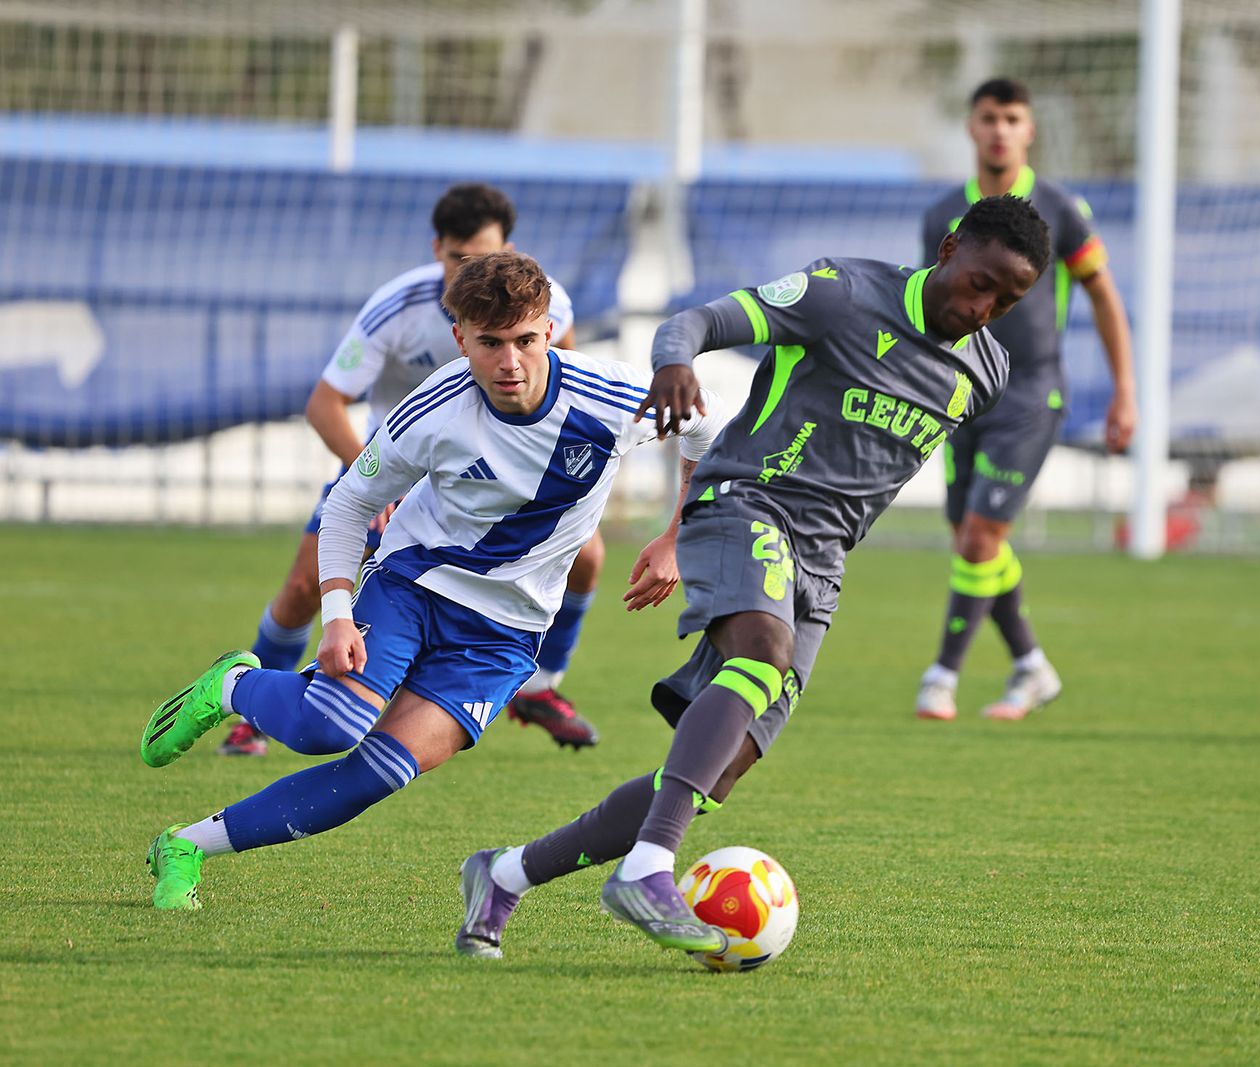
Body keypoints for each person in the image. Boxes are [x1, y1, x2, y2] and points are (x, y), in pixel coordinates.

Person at [453, 195, 1050, 961]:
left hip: (824, 565)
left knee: (715, 772)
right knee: (758, 656)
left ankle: (503, 875)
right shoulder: (842, 293)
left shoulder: (987, 368)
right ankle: (646, 869)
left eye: (1008, 299)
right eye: (980, 282)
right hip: (747, 500)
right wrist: (674, 365)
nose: (985, 306)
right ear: (950, 246)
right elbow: (694, 323)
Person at [140, 252, 725, 911]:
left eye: (527, 340)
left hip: (507, 633)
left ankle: (184, 845)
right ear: (460, 339)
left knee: (376, 775)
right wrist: (335, 614)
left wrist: (677, 534)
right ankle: (232, 684)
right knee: (328, 725)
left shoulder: (613, 395)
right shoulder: (437, 407)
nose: (510, 363)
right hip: (416, 583)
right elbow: (347, 505)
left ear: (550, 330)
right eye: (491, 343)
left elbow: (706, 431)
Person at [221, 182, 603, 757]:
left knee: (590, 556)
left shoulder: (546, 301)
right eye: (457, 258)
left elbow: (570, 376)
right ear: (436, 251)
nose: (466, 270)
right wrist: (377, 488)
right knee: (307, 582)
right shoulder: (396, 308)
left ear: (509, 248)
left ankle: (541, 687)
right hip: (391, 463)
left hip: (497, 473)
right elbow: (325, 405)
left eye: (481, 257)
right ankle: (253, 707)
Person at [913, 77, 1137, 724]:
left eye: (1012, 118)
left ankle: (942, 674)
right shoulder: (940, 215)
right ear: (971, 127)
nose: (1000, 130)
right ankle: (1032, 665)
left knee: (982, 535)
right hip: (959, 393)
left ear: (1029, 130)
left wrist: (1125, 391)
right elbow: (929, 304)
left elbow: (1103, 294)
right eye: (989, 117)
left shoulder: (1061, 210)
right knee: (969, 537)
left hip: (1033, 392)